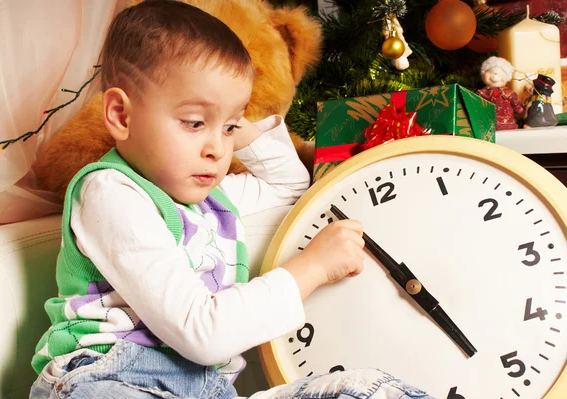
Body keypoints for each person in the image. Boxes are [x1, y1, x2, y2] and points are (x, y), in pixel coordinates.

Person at [29, 1, 433, 398]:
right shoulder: (109, 192)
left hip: (207, 390)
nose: (217, 150)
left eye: (229, 127)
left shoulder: (208, 200)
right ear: (121, 115)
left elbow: (287, 188)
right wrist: (310, 269)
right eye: (194, 122)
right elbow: (200, 334)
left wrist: (239, 128)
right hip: (109, 380)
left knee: (361, 389)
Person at [476, 56, 524, 130]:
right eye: (490, 72)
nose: (495, 76)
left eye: (499, 73)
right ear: (484, 74)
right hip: (487, 125)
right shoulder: (482, 93)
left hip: (507, 124)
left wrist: (520, 108)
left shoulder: (508, 93)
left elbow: (516, 104)